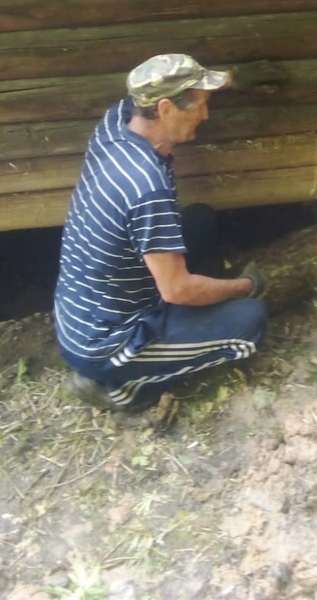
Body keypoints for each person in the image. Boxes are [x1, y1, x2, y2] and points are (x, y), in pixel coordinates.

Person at [54, 53, 272, 412]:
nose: (205, 114)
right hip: (107, 341)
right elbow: (178, 290)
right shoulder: (145, 188)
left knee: (200, 219)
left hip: (84, 305)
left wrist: (233, 78)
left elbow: (157, 82)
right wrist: (244, 288)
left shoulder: (118, 121)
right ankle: (118, 387)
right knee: (250, 322)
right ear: (167, 109)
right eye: (200, 105)